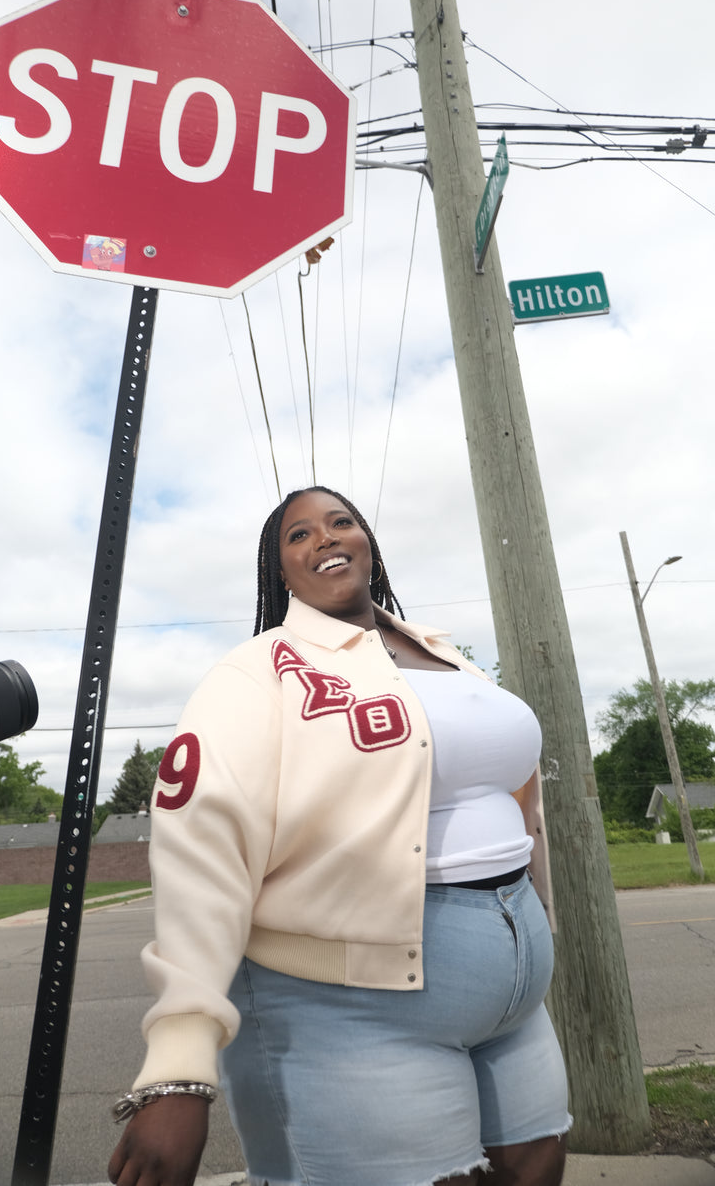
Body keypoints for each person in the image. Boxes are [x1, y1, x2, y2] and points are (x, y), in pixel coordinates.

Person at [108, 485, 571, 1186]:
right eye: (298, 535)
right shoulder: (257, 671)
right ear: (279, 570)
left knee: (538, 1159)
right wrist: (179, 1065)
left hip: (517, 998)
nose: (324, 539)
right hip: (348, 1009)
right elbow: (200, 846)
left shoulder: (443, 654)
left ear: (368, 544)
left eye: (340, 522)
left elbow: (517, 798)